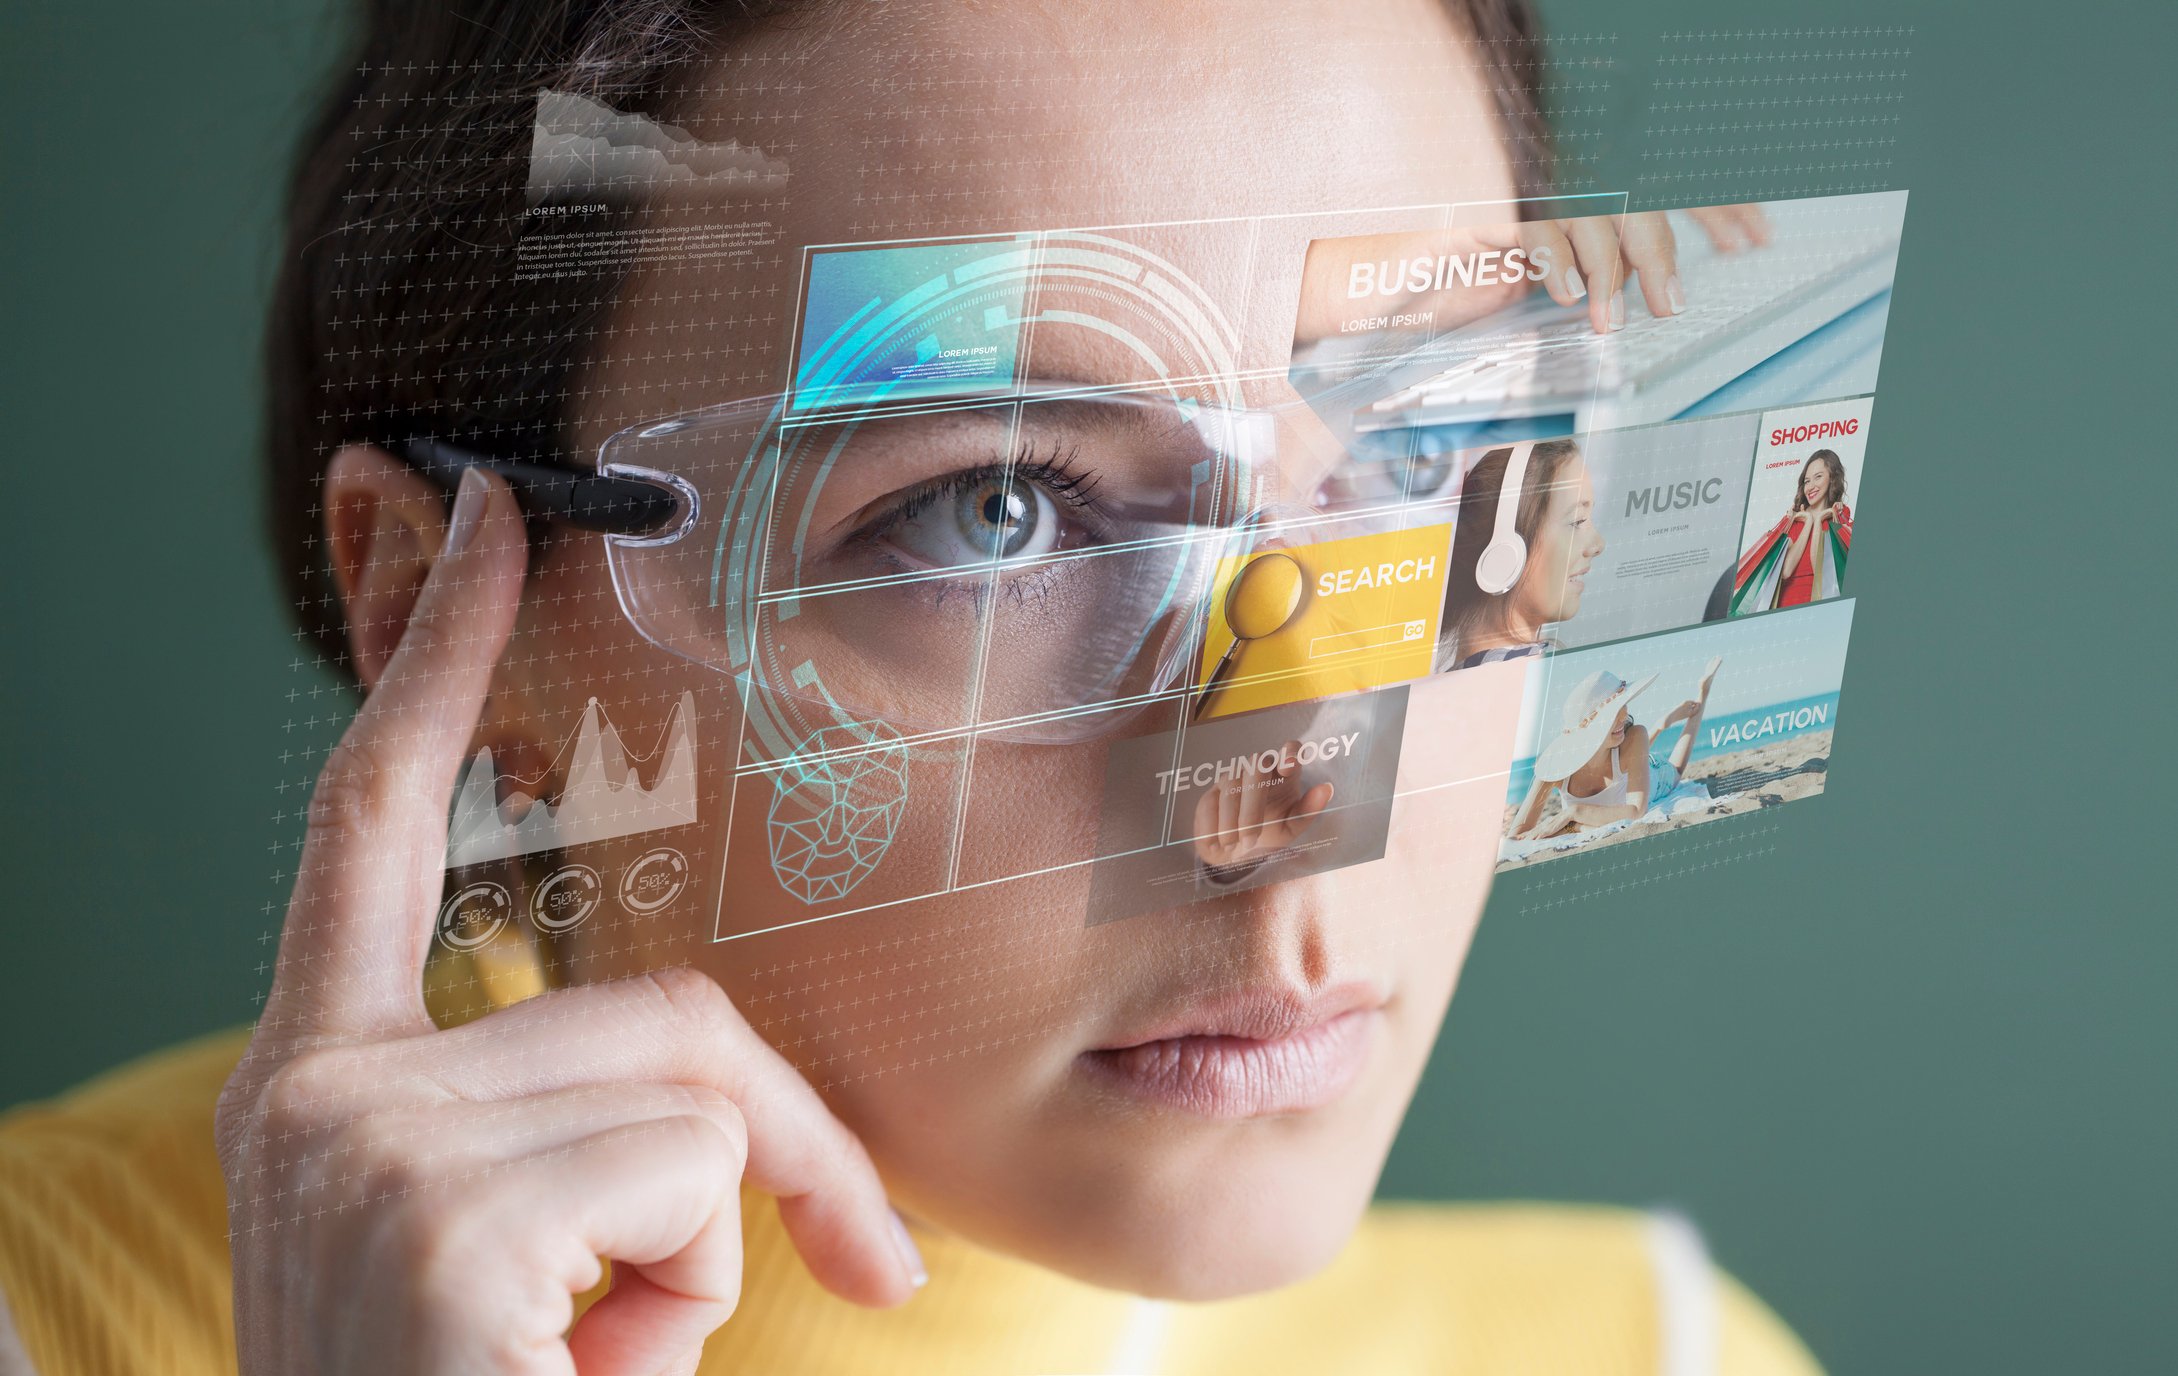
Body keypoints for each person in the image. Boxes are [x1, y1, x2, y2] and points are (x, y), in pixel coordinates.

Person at [0, 2, 1823, 1372]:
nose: (1295, 786)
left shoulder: (1659, 1354)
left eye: (1433, 458)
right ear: (441, 624)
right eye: (996, 512)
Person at [1507, 658, 1722, 844]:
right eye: (1612, 713)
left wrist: (1574, 813)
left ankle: (1702, 695)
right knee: (1630, 752)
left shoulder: (1635, 735)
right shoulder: (1555, 766)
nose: (1624, 715)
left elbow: (1636, 812)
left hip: (1653, 775)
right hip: (1627, 760)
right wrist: (1575, 826)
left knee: (1677, 770)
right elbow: (1516, 836)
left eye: (1623, 705)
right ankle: (1660, 725)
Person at [1440, 439, 1606, 668]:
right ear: (1506, 548)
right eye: (1577, 521)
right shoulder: (1536, 673)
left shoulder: (1458, 676)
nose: (1598, 544)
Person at [1733, 450, 1853, 612]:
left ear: (1832, 477)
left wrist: (1819, 521)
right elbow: (1786, 571)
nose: (1811, 486)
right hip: (1785, 606)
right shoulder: (1794, 519)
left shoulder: (1838, 517)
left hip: (1820, 606)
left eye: (1818, 477)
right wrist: (1808, 522)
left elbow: (1821, 570)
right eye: (1807, 481)